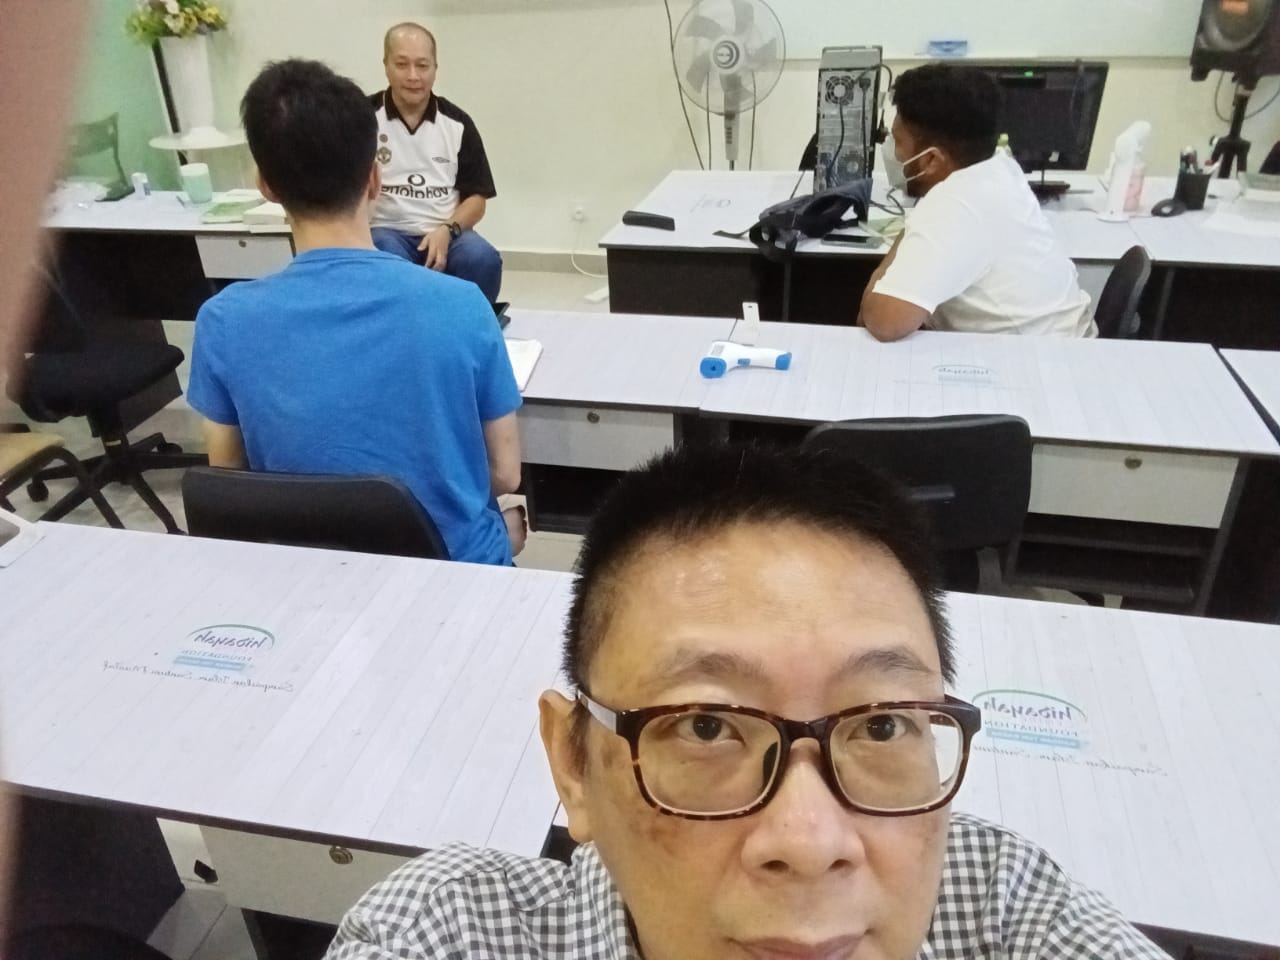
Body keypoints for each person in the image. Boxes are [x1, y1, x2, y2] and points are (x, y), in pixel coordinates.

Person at [324, 443, 1165, 958]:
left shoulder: (1001, 906)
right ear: (573, 763)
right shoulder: (448, 934)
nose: (810, 843)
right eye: (705, 724)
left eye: (881, 723)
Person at [188, 59, 525, 565]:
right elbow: (504, 473)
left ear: (265, 185)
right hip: (453, 574)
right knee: (505, 519)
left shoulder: (222, 321)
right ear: (374, 178)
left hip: (307, 573)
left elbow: (232, 481)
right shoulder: (461, 304)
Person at [860, 63, 1096, 341]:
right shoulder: (998, 165)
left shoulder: (953, 207)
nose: (891, 150)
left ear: (931, 159)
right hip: (1066, 342)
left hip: (1036, 356)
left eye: (897, 140)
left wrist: (881, 273)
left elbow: (883, 323)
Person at [369, 22, 503, 303]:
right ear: (386, 66)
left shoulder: (458, 123)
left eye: (422, 65)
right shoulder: (362, 117)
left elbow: (477, 198)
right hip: (385, 231)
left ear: (435, 68)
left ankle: (469, 326)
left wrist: (447, 230)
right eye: (402, 64)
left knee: (483, 259)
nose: (413, 76)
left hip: (447, 230)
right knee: (386, 259)